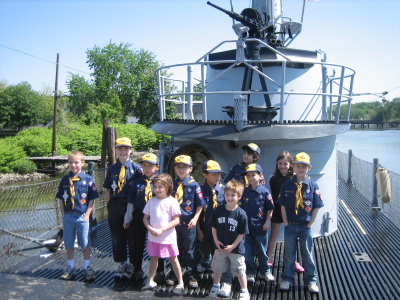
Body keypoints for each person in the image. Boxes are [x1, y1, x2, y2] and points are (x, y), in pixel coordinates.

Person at [278, 152, 324, 293]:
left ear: (309, 168)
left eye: (304, 166)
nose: (301, 169)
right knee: (289, 254)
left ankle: (310, 280)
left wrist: (310, 224)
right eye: (298, 166)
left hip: (305, 226)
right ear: (293, 167)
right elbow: (282, 205)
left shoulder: (313, 186)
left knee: (307, 255)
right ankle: (287, 279)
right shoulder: (287, 185)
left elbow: (316, 205)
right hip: (290, 225)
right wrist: (285, 222)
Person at [103, 137, 143, 279]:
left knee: (133, 237)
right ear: (116, 150)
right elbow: (108, 188)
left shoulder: (137, 169)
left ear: (131, 151)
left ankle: (135, 265)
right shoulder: (112, 169)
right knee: (117, 237)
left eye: (126, 148)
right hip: (115, 205)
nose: (123, 151)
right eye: (120, 148)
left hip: (130, 205)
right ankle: (122, 263)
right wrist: (109, 204)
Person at [56, 150, 99, 281]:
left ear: (82, 163)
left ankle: (86, 266)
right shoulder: (64, 179)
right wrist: (63, 214)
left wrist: (87, 215)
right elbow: (61, 199)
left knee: (85, 242)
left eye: (76, 162)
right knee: (69, 241)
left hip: (82, 216)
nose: (73, 165)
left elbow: (92, 198)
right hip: (68, 216)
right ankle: (70, 266)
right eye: (71, 163)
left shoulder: (88, 180)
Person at [141, 173, 184, 294]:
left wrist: (162, 229)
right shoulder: (151, 201)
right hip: (153, 237)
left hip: (167, 238)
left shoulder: (172, 201)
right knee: (154, 258)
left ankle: (180, 282)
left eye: (161, 187)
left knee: (173, 259)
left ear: (168, 187)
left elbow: (176, 220)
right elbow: (145, 218)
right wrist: (150, 228)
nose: (157, 189)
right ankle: (150, 280)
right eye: (155, 187)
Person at [124, 153, 164, 281]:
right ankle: (137, 268)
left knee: (158, 243)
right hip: (139, 216)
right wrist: (127, 219)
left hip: (156, 217)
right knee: (137, 243)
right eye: (144, 165)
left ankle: (160, 270)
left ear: (157, 167)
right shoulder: (137, 183)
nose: (146, 168)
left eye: (150, 166)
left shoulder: (161, 183)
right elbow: (131, 202)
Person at [167, 155, 205, 289]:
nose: (181, 169)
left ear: (190, 169)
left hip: (189, 223)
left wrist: (195, 219)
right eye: (178, 167)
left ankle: (191, 275)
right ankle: (174, 273)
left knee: (189, 250)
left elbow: (200, 205)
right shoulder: (172, 185)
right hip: (175, 223)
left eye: (184, 167)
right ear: (175, 169)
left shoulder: (194, 186)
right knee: (174, 249)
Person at [208, 179, 250, 300]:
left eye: (233, 195)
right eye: (227, 194)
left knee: (240, 270)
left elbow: (242, 233)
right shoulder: (218, 210)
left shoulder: (241, 214)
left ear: (239, 197)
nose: (229, 197)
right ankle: (215, 286)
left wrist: (232, 246)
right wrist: (216, 240)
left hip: (236, 249)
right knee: (217, 268)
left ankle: (244, 290)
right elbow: (213, 226)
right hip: (220, 247)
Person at [267, 151, 304, 272]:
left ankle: (293, 261)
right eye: (280, 163)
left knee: (292, 237)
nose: (282, 166)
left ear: (291, 165)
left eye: (285, 164)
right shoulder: (273, 178)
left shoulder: (294, 178)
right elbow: (271, 195)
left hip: (291, 211)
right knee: (273, 234)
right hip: (277, 210)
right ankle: (268, 258)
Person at [240, 163, 275, 283]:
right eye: (248, 176)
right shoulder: (244, 192)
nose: (250, 178)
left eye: (253, 175)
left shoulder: (265, 192)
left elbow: (270, 208)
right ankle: (250, 272)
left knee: (262, 251)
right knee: (248, 252)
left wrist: (267, 222)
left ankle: (265, 271)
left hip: (260, 227)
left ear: (260, 176)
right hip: (247, 228)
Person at [197, 160, 225, 272]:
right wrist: (198, 229)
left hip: (219, 227)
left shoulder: (224, 190)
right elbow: (198, 212)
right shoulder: (199, 190)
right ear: (205, 175)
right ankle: (205, 263)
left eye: (218, 174)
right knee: (204, 246)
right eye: (213, 174)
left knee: (218, 249)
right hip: (205, 226)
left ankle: (216, 266)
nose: (217, 177)